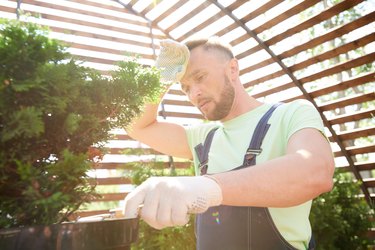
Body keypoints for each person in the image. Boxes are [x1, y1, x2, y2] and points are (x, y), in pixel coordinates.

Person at [123, 37, 334, 250]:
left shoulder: (290, 114)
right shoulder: (203, 138)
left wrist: (208, 187)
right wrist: (160, 77)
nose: (194, 94)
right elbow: (136, 126)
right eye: (185, 88)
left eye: (200, 77)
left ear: (232, 69)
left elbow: (315, 171)